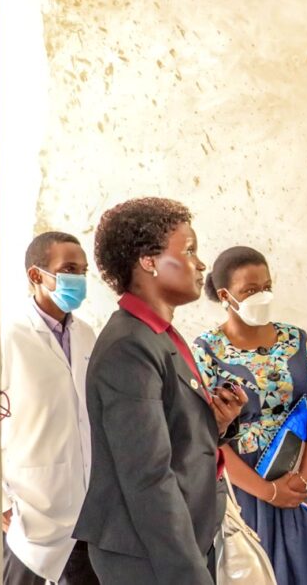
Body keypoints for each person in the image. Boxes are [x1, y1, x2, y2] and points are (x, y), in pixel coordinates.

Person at [73, 198, 247, 584]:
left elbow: (170, 434)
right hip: (147, 555)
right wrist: (189, 574)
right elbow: (148, 477)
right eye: (188, 250)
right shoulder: (129, 348)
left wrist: (216, 421)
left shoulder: (158, 335)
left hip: (172, 544)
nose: (201, 264)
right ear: (148, 262)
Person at [193, 246, 307, 585]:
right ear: (224, 295)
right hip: (247, 497)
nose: (262, 296)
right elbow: (207, 437)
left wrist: (301, 481)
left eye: (266, 286)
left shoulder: (296, 340)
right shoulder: (205, 352)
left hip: (306, 492)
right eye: (250, 290)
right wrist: (267, 491)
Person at [0, 232, 99, 585]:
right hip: (30, 506)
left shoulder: (87, 335)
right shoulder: (9, 336)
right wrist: (0, 500)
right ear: (35, 275)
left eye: (83, 271)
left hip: (86, 504)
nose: (79, 279)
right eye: (68, 269)